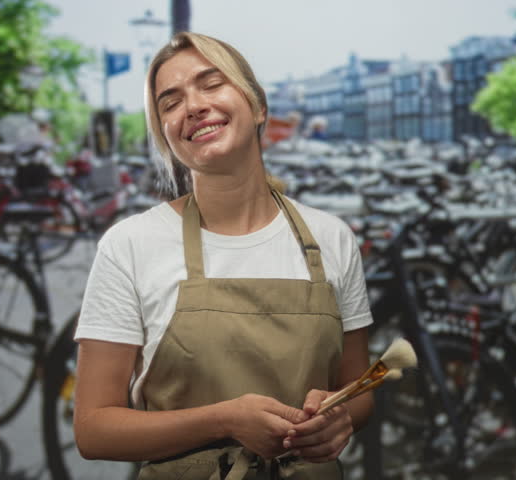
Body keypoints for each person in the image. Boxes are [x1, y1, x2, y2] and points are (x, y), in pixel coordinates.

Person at [73, 32, 374, 479]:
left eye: (211, 84)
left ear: (258, 107)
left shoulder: (333, 239)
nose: (193, 106)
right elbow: (94, 429)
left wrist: (339, 420)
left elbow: (359, 387)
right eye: (170, 103)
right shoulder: (130, 245)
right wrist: (224, 420)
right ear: (167, 138)